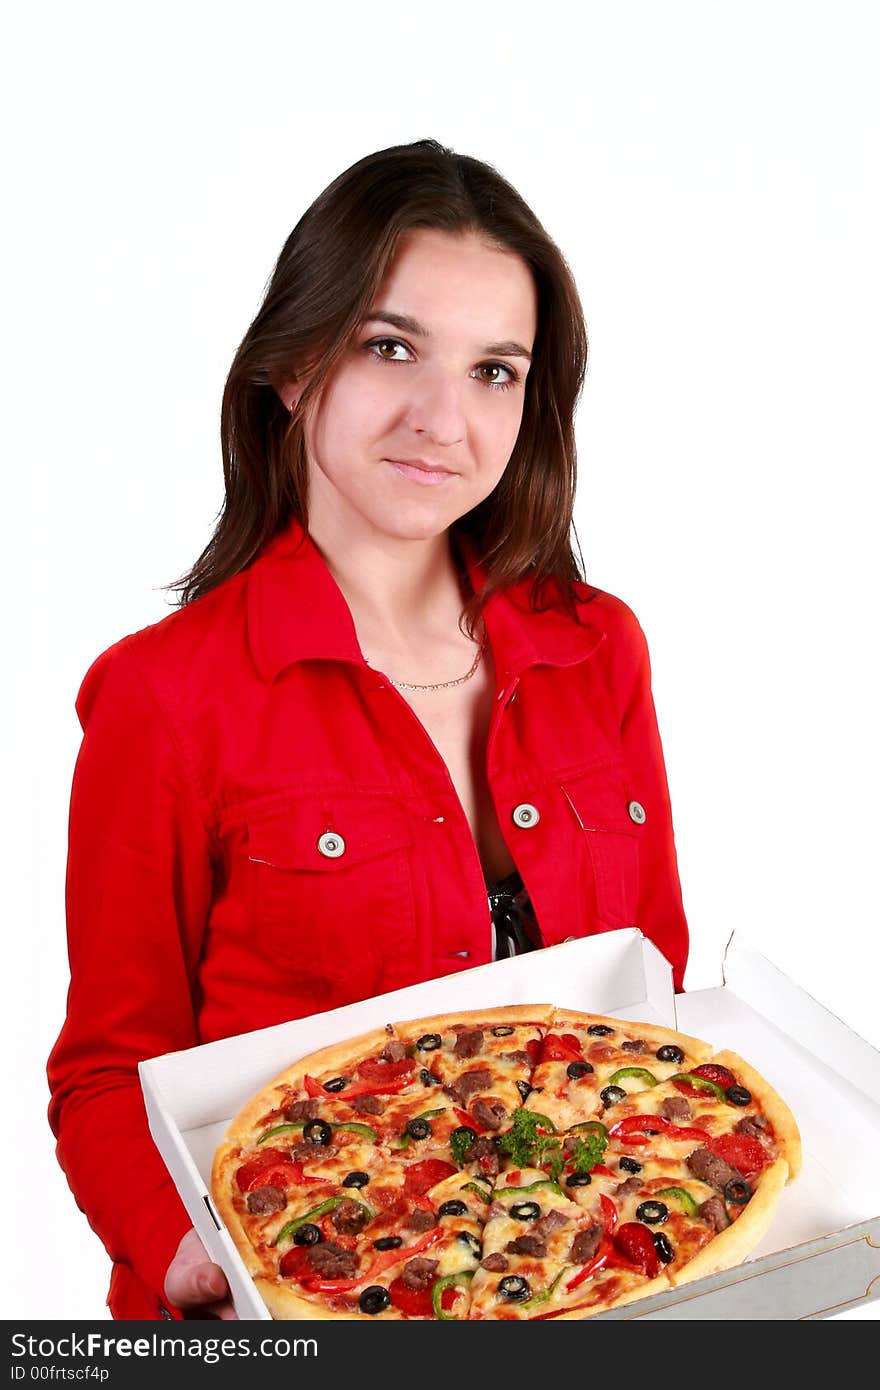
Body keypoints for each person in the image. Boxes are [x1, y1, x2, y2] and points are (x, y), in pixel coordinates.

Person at [46, 139, 689, 1321]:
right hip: (296, 1296)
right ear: (292, 365)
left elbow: (650, 1007)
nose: (443, 419)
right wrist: (206, 1265)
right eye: (391, 348)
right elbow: (104, 1077)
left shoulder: (601, 648)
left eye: (496, 371)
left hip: (577, 1287)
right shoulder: (164, 697)